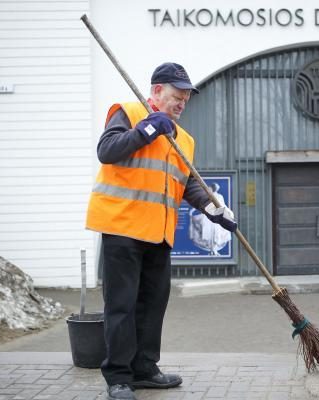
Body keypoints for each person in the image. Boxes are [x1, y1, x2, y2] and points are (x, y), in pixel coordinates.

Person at [86, 62, 237, 400]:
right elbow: (106, 152)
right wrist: (145, 130)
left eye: (185, 98)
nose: (181, 102)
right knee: (121, 306)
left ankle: (144, 369)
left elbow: (185, 185)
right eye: (176, 95)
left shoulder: (184, 139)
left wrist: (213, 208)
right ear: (156, 92)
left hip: (159, 233)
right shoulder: (130, 112)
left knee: (153, 304)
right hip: (122, 226)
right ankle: (119, 378)